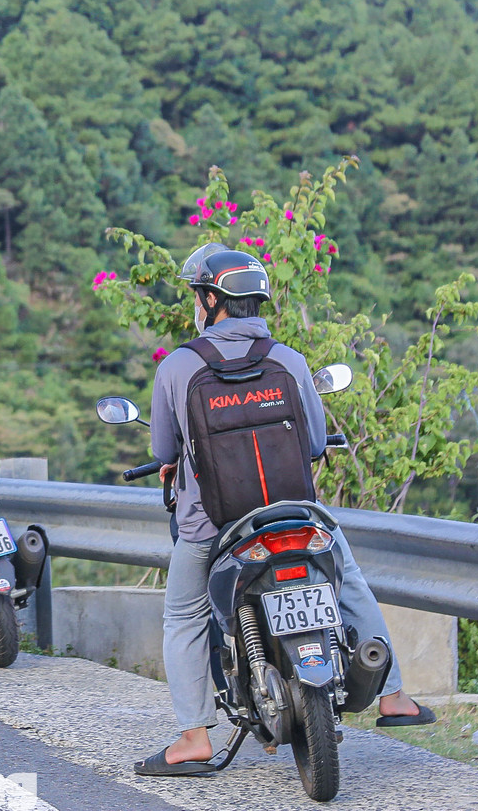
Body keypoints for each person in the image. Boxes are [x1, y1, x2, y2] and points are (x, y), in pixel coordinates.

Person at [136, 246, 434, 777]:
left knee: (184, 614)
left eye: (198, 295)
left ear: (210, 299)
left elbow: (164, 450)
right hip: (295, 515)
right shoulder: (289, 359)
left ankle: (193, 737)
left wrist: (174, 465)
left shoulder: (179, 366)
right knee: (349, 585)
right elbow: (316, 441)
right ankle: (393, 697)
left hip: (213, 523)